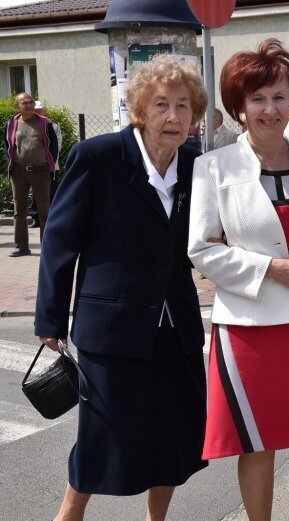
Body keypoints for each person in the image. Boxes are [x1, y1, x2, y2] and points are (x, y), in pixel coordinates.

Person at [34, 54, 209, 521]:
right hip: (111, 327)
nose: (173, 117)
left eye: (184, 106)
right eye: (161, 105)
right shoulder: (98, 157)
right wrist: (50, 316)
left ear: (195, 114)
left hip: (177, 327)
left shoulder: (198, 165)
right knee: (102, 434)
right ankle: (69, 515)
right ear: (139, 108)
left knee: (175, 435)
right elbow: (59, 240)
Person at [188, 39, 289, 521]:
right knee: (256, 442)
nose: (269, 108)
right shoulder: (213, 168)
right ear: (238, 107)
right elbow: (201, 250)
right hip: (246, 328)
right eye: (257, 98)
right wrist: (268, 269)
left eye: (279, 97)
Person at [2, 92, 59, 257]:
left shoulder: (45, 124)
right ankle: (21, 246)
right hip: (18, 171)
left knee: (44, 211)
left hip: (41, 171)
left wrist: (49, 166)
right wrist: (13, 164)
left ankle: (47, 247)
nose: (28, 105)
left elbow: (53, 147)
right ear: (17, 106)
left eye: (30, 102)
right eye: (24, 103)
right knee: (19, 211)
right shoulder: (11, 124)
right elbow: (8, 145)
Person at [29, 100, 62, 228]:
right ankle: (36, 218)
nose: (37, 112)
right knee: (35, 193)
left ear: (44, 110)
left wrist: (50, 162)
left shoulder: (53, 126)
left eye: (39, 110)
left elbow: (56, 146)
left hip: (50, 165)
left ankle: (52, 217)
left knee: (51, 191)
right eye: (35, 110)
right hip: (33, 165)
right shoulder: (29, 125)